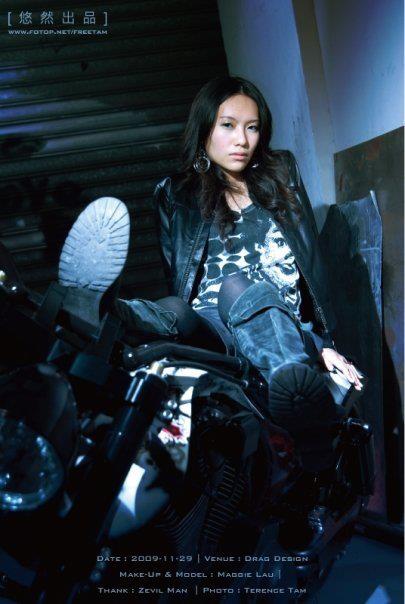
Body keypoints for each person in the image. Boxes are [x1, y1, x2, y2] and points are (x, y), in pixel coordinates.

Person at [60, 76, 363, 472]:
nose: (242, 140)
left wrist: (325, 342)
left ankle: (296, 396)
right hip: (215, 335)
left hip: (279, 327)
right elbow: (178, 281)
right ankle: (101, 308)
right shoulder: (174, 194)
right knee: (174, 309)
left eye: (252, 127)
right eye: (228, 125)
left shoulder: (281, 174)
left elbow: (313, 266)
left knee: (240, 287)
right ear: (204, 129)